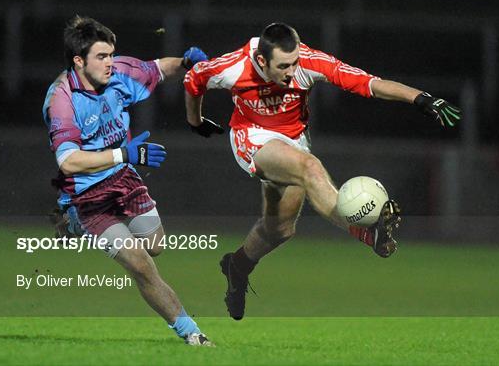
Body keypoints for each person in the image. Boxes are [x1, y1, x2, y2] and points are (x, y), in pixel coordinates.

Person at [183, 22, 461, 320]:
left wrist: (421, 99)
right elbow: (193, 79)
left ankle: (236, 266)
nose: (291, 72)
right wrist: (196, 122)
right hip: (252, 138)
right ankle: (369, 233)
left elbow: (370, 84)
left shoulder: (309, 61)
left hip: (293, 142)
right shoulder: (234, 66)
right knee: (310, 167)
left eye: (294, 63)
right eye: (283, 66)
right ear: (262, 61)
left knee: (280, 230)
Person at [42, 15, 213, 346]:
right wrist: (125, 154)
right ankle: (192, 333)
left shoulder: (119, 71)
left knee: (155, 245)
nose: (110, 63)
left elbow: (158, 69)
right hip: (86, 194)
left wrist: (187, 62)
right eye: (101, 57)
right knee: (141, 264)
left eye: (110, 55)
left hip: (123, 179)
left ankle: (73, 225)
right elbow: (68, 162)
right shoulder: (61, 100)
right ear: (79, 61)